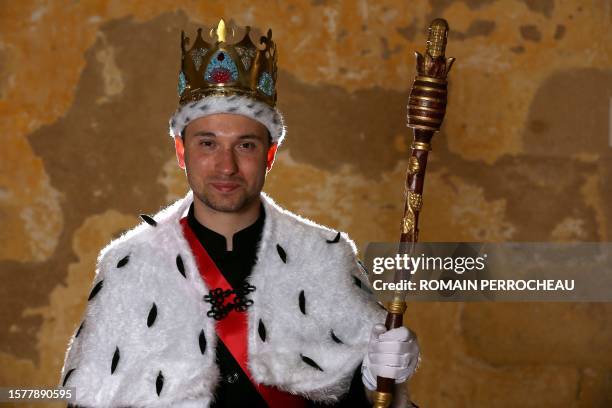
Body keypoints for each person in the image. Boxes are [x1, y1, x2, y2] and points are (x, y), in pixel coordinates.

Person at [59, 20, 420, 407]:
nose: (226, 166)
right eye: (208, 143)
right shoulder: (128, 264)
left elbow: (364, 400)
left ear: (270, 154)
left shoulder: (325, 256)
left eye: (245, 145)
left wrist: (375, 377)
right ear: (182, 153)